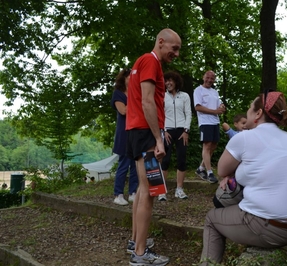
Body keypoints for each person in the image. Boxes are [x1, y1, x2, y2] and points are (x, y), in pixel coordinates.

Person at [200, 91, 287, 265]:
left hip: (273, 228)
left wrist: (232, 173)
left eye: (250, 107)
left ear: (258, 113)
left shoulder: (244, 137)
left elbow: (222, 170)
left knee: (212, 218)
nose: (247, 110)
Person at [125, 28, 181, 266]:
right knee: (151, 191)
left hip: (137, 131)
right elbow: (148, 101)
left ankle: (135, 242)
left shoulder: (141, 61)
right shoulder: (151, 61)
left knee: (141, 190)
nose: (176, 54)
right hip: (146, 134)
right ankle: (139, 255)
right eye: (174, 48)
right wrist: (158, 139)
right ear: (161, 42)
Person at [158, 71, 192, 201]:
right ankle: (162, 191)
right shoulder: (162, 96)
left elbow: (188, 113)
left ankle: (179, 189)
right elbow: (159, 114)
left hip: (181, 131)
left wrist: (186, 131)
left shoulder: (184, 96)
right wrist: (164, 130)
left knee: (181, 160)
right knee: (165, 161)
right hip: (167, 131)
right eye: (166, 81)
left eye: (170, 80)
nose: (168, 83)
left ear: (176, 82)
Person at [111, 69, 139, 206]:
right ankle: (118, 194)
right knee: (124, 164)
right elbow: (123, 110)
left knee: (135, 164)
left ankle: (133, 192)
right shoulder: (118, 94)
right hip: (124, 134)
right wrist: (136, 105)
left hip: (136, 133)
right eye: (130, 76)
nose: (133, 78)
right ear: (124, 78)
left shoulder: (136, 93)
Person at [193, 70, 226, 184]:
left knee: (213, 146)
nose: (209, 80)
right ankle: (209, 172)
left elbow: (219, 105)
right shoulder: (198, 90)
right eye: (208, 77)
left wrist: (221, 106)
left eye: (212, 78)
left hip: (215, 122)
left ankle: (200, 169)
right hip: (205, 122)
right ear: (203, 77)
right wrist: (215, 111)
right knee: (207, 146)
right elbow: (198, 107)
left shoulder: (215, 92)